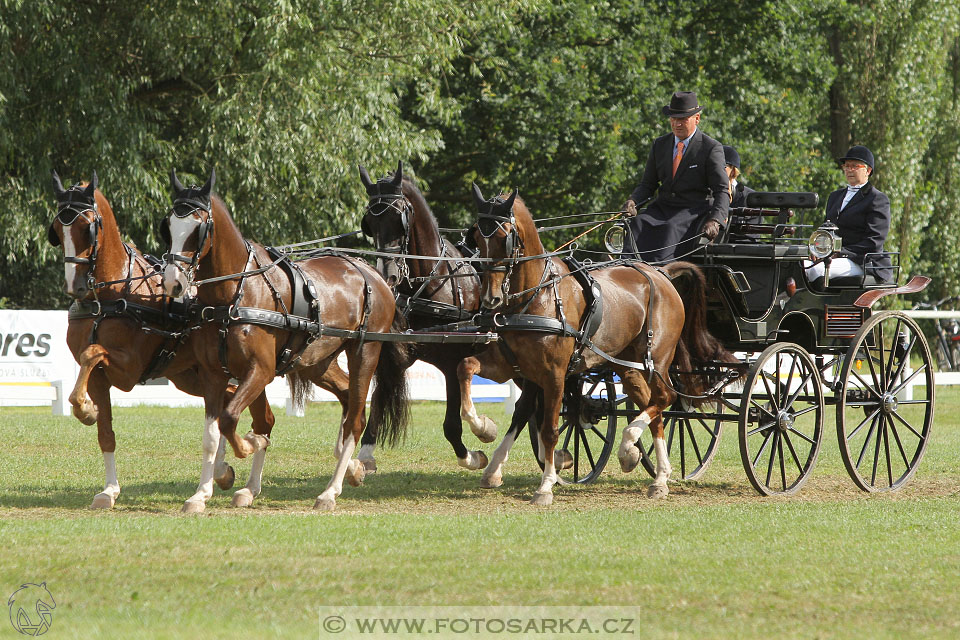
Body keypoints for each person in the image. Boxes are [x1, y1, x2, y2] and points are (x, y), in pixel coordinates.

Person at [622, 91, 730, 263]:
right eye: (673, 119)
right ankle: (626, 268)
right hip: (663, 207)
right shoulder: (660, 145)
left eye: (683, 119)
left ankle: (659, 273)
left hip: (692, 210)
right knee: (637, 224)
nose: (677, 124)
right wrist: (633, 201)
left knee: (669, 228)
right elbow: (648, 184)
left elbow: (722, 190)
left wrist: (716, 220)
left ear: (697, 119)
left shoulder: (710, 148)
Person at [804, 144, 893, 285]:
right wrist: (818, 249)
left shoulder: (877, 199)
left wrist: (840, 252)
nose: (849, 170)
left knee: (816, 271)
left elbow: (873, 242)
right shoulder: (835, 196)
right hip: (833, 256)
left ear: (868, 170)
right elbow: (826, 229)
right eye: (847, 166)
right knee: (797, 266)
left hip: (862, 260)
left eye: (855, 166)